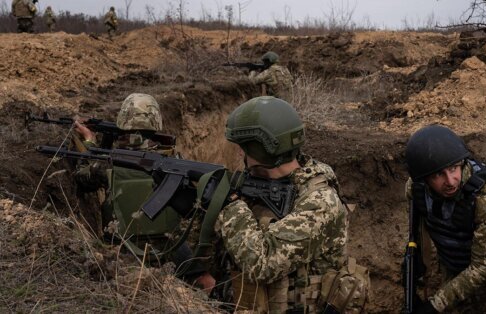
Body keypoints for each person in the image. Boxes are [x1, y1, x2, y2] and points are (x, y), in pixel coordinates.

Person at [203, 96, 367, 312]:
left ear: (261, 149)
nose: (239, 153)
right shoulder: (255, 185)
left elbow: (260, 264)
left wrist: (229, 204)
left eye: (243, 147)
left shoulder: (320, 202)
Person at [73, 93, 215, 292]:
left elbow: (82, 176)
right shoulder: (173, 160)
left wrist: (90, 142)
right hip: (170, 247)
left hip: (125, 252)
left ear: (123, 121)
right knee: (206, 283)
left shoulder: (107, 164)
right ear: (156, 122)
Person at [403, 124, 486, 313]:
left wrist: (435, 304)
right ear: (424, 179)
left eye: (454, 169)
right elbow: (418, 230)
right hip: (454, 263)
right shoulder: (415, 188)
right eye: (439, 174)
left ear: (462, 163)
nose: (450, 181)